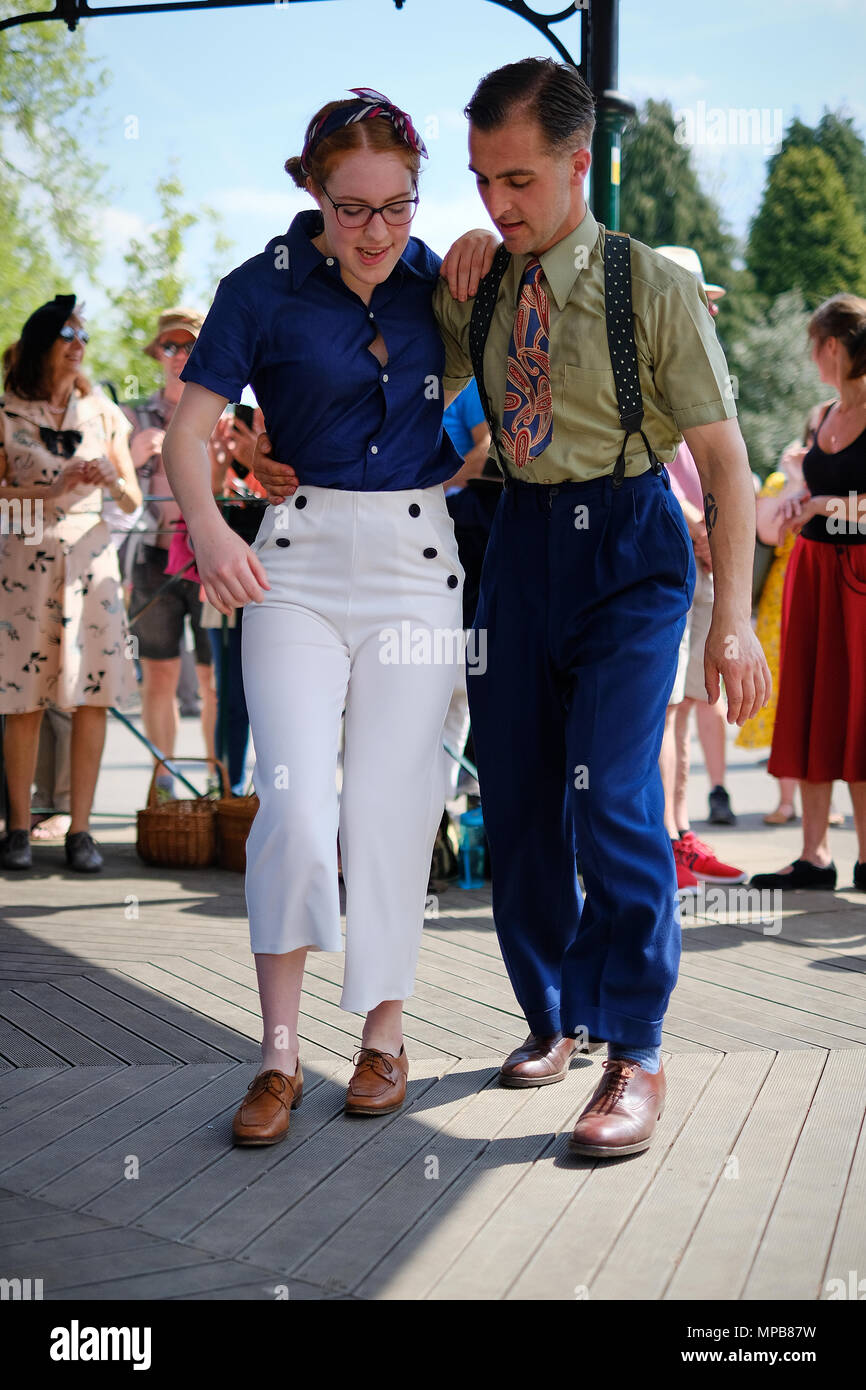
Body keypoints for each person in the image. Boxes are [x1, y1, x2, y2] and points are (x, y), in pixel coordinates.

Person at [253, 61, 771, 1158]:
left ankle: (634, 1044)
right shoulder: (470, 282)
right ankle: (554, 1015)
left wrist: (732, 622)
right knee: (525, 797)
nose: (496, 203)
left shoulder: (653, 286)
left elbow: (726, 466)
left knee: (613, 796)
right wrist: (280, 453)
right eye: (484, 179)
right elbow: (385, 386)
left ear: (579, 164)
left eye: (520, 179)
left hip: (629, 549)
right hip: (513, 542)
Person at [161, 89, 488, 1144]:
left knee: (394, 810)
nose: (378, 231)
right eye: (353, 208)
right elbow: (189, 430)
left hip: (417, 555)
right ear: (310, 190)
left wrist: (484, 243)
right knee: (296, 811)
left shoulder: (447, 282)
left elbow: (517, 381)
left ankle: (382, 1037)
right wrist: (212, 531)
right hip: (292, 560)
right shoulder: (257, 290)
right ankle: (276, 1057)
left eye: (399, 206)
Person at [0, 294, 142, 872]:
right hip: (23, 563)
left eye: (83, 333)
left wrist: (111, 477)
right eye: (66, 332)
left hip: (91, 562)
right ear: (41, 344)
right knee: (22, 698)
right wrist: (49, 494)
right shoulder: (7, 412)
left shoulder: (105, 412)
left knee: (92, 696)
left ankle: (82, 830)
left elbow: (132, 499)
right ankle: (17, 828)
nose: (79, 343)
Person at [752, 294, 866, 893]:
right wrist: (800, 500)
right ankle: (814, 857)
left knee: (860, 711)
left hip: (860, 581)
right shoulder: (823, 416)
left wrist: (824, 505)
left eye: (814, 347)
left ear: (832, 346)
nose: (812, 358)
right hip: (815, 571)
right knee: (814, 704)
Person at [124, 307, 217, 801]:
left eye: (189, 346)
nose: (180, 357)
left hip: (209, 561)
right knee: (158, 674)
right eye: (169, 347)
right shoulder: (132, 417)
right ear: (157, 355)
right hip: (151, 559)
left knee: (213, 678)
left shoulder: (224, 412)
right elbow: (108, 490)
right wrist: (135, 456)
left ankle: (219, 784)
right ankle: (163, 782)